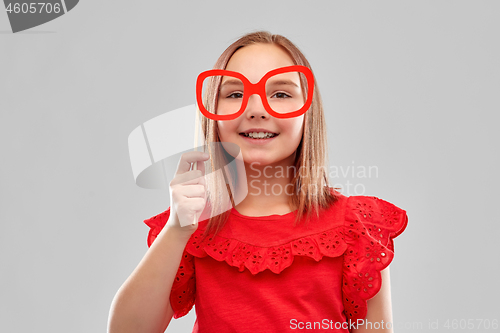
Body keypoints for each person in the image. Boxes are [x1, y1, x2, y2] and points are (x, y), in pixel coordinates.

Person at [108, 31, 408, 333]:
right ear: (213, 114)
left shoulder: (356, 226)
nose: (256, 110)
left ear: (308, 113)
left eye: (280, 94)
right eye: (235, 94)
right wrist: (176, 229)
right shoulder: (191, 225)